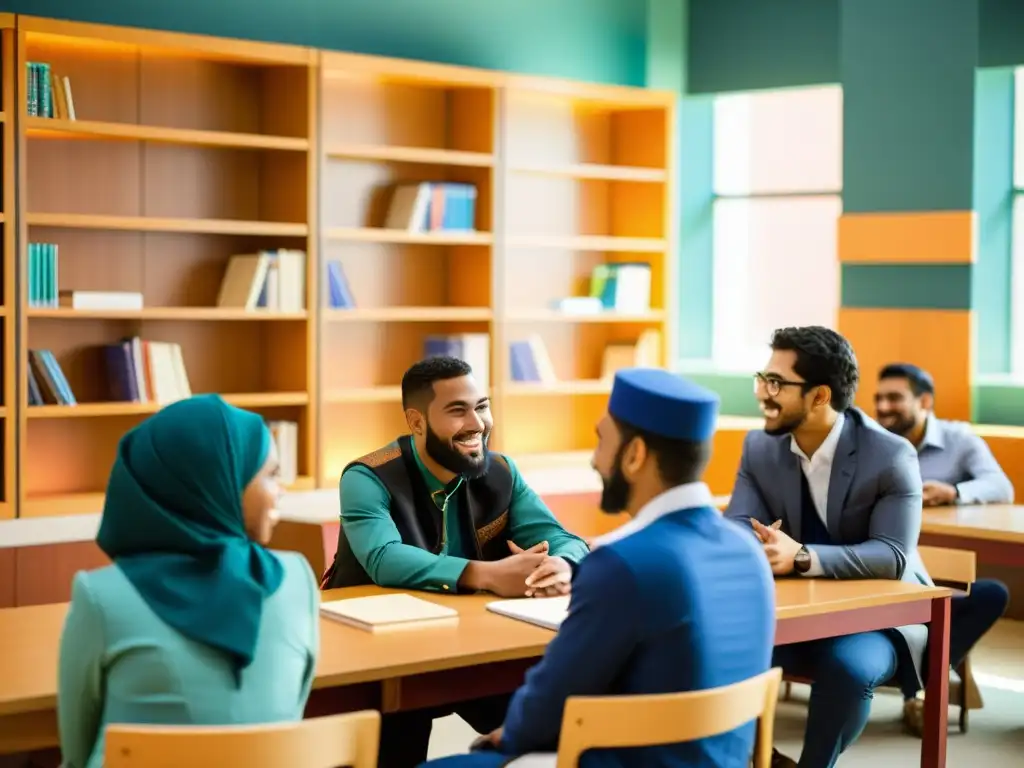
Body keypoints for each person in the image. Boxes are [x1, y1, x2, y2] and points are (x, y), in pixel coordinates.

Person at [420, 368, 776, 768]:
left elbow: (553, 701)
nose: (594, 460)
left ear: (635, 454)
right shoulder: (747, 550)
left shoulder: (622, 564)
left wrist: (509, 734)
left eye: (602, 440)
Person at [321, 355, 590, 768]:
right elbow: (383, 558)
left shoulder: (502, 471)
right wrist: (490, 575)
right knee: (396, 746)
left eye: (481, 406)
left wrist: (564, 565)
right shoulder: (366, 476)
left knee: (548, 725)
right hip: (381, 654)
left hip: (475, 645)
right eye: (457, 410)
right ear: (416, 422)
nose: (477, 423)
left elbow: (561, 538)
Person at [56, 395, 319, 768]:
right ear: (220, 480)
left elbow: (76, 756)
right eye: (272, 474)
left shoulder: (100, 597)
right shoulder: (298, 581)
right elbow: (286, 719)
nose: (282, 490)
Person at [725, 327, 930, 768]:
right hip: (793, 613)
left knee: (848, 670)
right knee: (712, 645)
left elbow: (893, 556)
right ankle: (759, 758)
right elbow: (739, 525)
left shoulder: (890, 454)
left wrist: (801, 556)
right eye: (762, 377)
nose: (763, 392)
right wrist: (754, 546)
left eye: (776, 383)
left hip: (875, 619)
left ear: (819, 396)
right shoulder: (759, 446)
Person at [875, 362, 1011, 735]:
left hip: (936, 572)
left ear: (925, 401)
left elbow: (1001, 486)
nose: (883, 407)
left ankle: (915, 683)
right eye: (878, 398)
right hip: (889, 567)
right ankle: (918, 687)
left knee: (988, 595)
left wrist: (955, 492)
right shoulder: (870, 441)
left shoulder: (959, 440)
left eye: (894, 398)